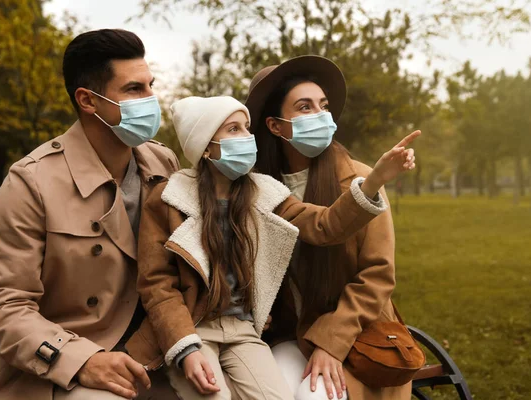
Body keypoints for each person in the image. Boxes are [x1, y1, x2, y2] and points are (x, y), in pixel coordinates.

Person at [126, 95, 418, 400]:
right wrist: (186, 347)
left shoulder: (263, 193)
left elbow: (325, 225)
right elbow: (157, 284)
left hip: (243, 332)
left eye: (247, 128)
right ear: (206, 146)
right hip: (193, 327)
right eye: (233, 129)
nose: (247, 138)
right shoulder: (168, 198)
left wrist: (373, 183)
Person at [0, 29, 180, 400]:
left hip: (155, 351)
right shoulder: (33, 180)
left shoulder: (163, 162)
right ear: (88, 100)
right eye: (135, 89)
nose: (152, 100)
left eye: (151, 86)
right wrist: (81, 360)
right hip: (58, 365)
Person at [246, 55, 416, 400]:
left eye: (323, 105)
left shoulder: (361, 179)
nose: (320, 115)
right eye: (304, 107)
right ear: (276, 126)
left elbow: (378, 275)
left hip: (356, 332)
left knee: (314, 396)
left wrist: (331, 342)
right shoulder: (259, 188)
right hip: (290, 333)